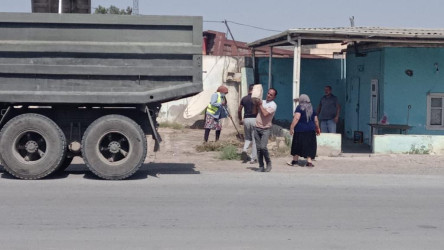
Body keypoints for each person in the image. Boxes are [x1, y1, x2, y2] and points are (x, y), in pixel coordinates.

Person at [287, 94, 321, 167]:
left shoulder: (299, 108)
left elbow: (296, 118)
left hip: (300, 130)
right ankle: (309, 162)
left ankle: (295, 161)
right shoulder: (312, 108)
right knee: (309, 146)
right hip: (310, 131)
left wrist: (291, 127)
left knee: (297, 145)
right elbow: (316, 120)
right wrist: (317, 128)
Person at [254, 88, 277, 172]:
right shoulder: (262, 102)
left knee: (263, 147)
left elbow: (265, 114)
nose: (268, 95)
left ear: (274, 97)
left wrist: (260, 105)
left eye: (271, 95)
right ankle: (261, 166)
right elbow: (255, 112)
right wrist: (255, 104)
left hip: (266, 129)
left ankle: (268, 163)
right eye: (268, 93)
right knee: (258, 148)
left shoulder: (273, 105)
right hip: (257, 127)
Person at [238, 84, 257, 164]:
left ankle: (245, 150)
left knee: (247, 138)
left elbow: (239, 110)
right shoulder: (256, 99)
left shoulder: (244, 98)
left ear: (249, 89)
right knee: (255, 139)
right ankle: (253, 159)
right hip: (254, 119)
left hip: (246, 119)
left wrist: (240, 119)